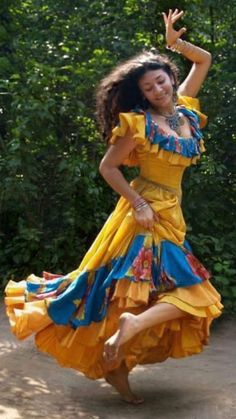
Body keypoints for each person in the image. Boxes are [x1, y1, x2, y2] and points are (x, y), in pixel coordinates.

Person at [5, 9, 223, 405]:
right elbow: (108, 167)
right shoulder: (137, 124)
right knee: (191, 293)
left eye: (162, 80)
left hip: (171, 214)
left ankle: (118, 359)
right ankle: (130, 328)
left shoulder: (187, 111)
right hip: (144, 215)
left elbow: (204, 59)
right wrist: (138, 203)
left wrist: (176, 45)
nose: (158, 89)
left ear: (171, 79)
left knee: (133, 296)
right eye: (149, 87)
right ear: (141, 94)